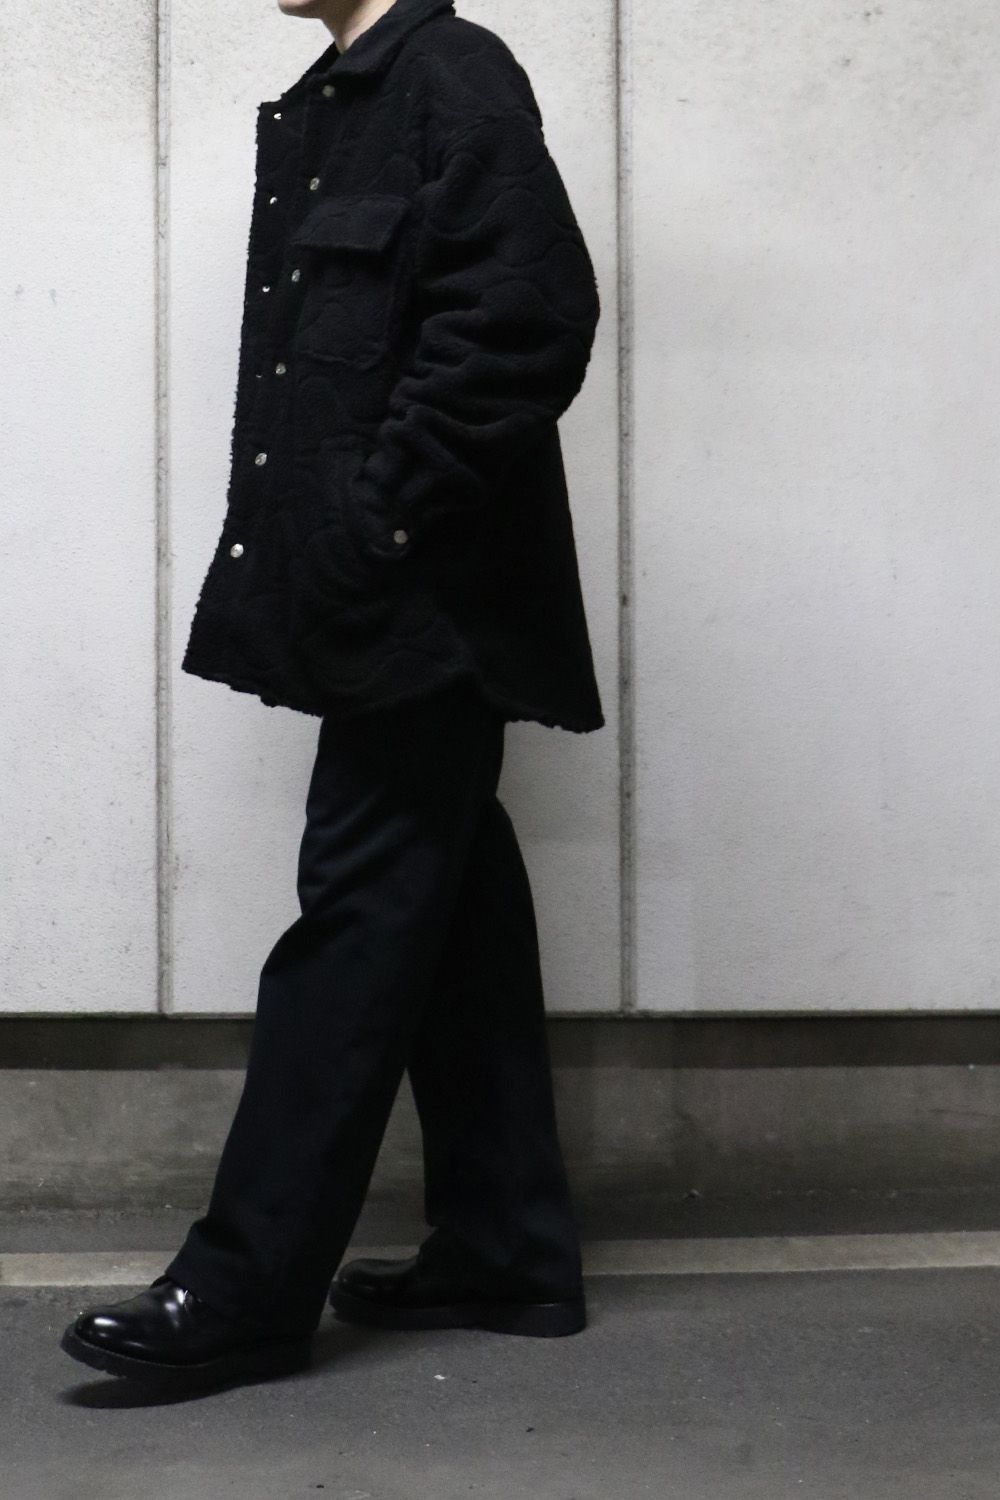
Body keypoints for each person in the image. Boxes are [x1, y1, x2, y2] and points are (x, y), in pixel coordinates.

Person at [60, 0, 604, 1392]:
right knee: (452, 912)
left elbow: (530, 312)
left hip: (431, 604)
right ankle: (507, 1247)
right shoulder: (341, 97)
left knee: (353, 918)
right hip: (386, 597)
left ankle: (247, 1287)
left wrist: (386, 514)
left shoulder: (451, 74)